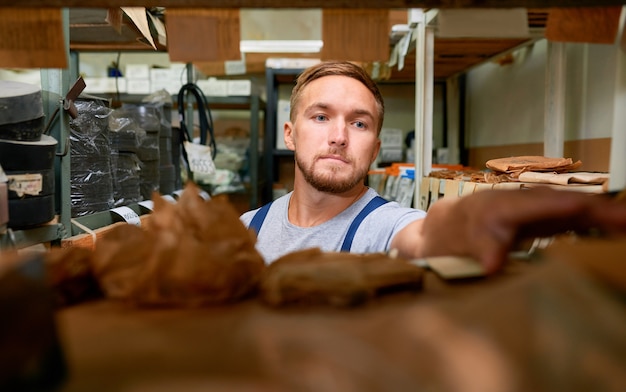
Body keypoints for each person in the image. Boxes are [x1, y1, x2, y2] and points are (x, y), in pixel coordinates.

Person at [240, 60, 626, 274]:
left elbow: (425, 235)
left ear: (374, 149)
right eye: (321, 117)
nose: (339, 136)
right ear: (289, 134)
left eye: (359, 123)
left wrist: (471, 217)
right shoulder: (246, 229)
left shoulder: (385, 225)